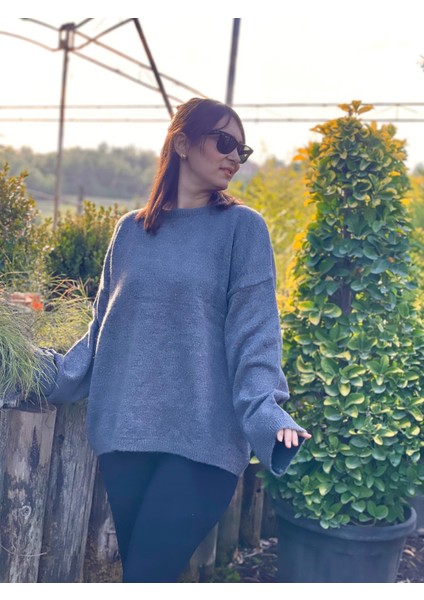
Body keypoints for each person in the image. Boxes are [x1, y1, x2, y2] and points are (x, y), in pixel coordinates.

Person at [35, 97, 312, 583]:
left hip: (204, 440)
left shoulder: (243, 229)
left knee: (145, 577)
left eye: (241, 150)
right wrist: (34, 369)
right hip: (126, 435)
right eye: (224, 142)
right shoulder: (130, 232)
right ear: (182, 143)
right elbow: (103, 334)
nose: (234, 157)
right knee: (144, 579)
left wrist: (267, 412)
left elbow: (255, 334)